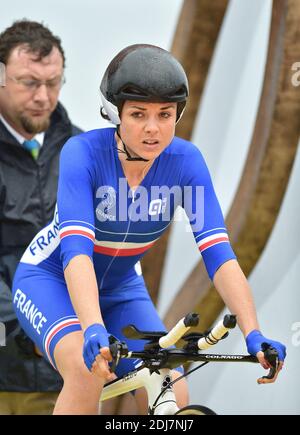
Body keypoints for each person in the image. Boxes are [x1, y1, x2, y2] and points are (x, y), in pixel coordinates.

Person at [12, 44, 286, 415]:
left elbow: (219, 256)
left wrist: (253, 332)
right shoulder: (82, 153)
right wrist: (92, 326)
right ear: (114, 114)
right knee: (86, 369)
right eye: (139, 114)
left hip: (123, 287)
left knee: (172, 387)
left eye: (165, 114)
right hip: (50, 278)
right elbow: (76, 254)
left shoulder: (187, 162)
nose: (153, 128)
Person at [0, 20, 82, 415]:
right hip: (8, 375)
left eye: (54, 82)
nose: (44, 96)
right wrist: (29, 332)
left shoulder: (83, 150)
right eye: (29, 82)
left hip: (75, 372)